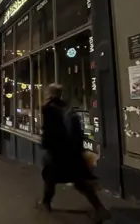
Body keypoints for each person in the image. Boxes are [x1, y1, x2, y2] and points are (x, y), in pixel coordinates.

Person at [39, 84, 110, 222]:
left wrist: (45, 143)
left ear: (50, 93)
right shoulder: (67, 107)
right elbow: (78, 130)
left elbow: (48, 131)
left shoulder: (48, 108)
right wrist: (79, 148)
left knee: (50, 178)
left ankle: (46, 203)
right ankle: (100, 208)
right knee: (79, 181)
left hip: (57, 151)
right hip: (72, 152)